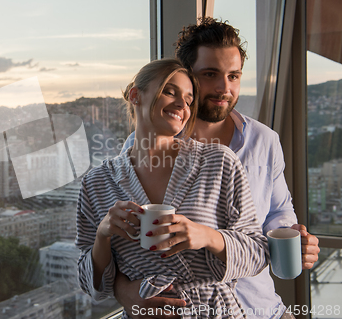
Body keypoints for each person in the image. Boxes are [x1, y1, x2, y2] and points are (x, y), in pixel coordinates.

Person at [114, 17, 320, 319]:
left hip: (261, 310)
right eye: (211, 74)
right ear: (186, 76)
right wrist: (124, 291)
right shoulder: (143, 146)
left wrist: (294, 238)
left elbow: (278, 211)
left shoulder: (265, 140)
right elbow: (122, 242)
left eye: (234, 76)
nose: (225, 88)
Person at [76, 59, 269, 319]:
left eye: (189, 100)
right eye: (170, 92)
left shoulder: (219, 162)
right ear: (135, 95)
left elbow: (257, 253)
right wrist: (103, 234)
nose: (182, 105)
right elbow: (90, 285)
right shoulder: (96, 183)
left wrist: (206, 236)